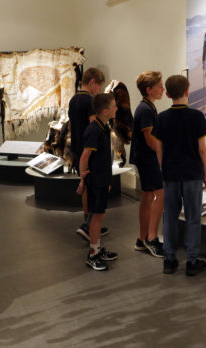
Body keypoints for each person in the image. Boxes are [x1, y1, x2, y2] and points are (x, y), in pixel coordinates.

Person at [151, 75, 206, 276]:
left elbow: (159, 149)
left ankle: (169, 259)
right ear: (187, 91)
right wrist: (205, 173)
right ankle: (192, 261)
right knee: (193, 218)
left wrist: (163, 169)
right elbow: (202, 149)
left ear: (167, 94)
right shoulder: (197, 117)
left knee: (170, 216)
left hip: (171, 174)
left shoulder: (161, 118)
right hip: (192, 173)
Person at [77, 93, 118, 271]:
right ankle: (93, 254)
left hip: (102, 179)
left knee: (99, 216)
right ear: (104, 110)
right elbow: (85, 156)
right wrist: (83, 179)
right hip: (95, 180)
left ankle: (97, 248)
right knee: (96, 217)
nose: (116, 108)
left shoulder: (103, 127)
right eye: (114, 106)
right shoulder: (94, 130)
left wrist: (107, 180)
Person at [68, 67, 108, 240]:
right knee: (93, 189)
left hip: (78, 148)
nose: (99, 90)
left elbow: (71, 125)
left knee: (86, 187)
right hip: (90, 151)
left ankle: (89, 223)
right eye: (99, 86)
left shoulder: (73, 100)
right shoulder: (90, 102)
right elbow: (94, 125)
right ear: (92, 83)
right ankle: (89, 225)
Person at [129, 71, 164, 258]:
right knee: (161, 195)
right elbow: (151, 141)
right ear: (149, 89)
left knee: (149, 196)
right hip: (147, 159)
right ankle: (151, 238)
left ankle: (142, 239)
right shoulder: (146, 110)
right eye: (160, 86)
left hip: (144, 158)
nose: (163, 89)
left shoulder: (147, 107)